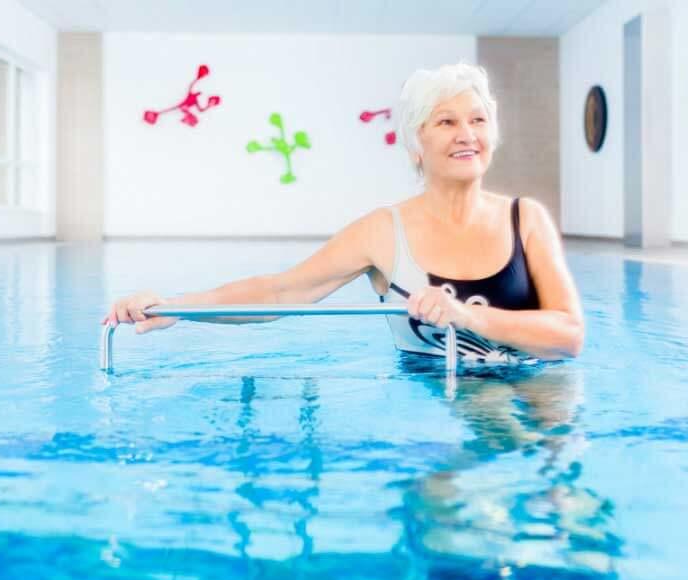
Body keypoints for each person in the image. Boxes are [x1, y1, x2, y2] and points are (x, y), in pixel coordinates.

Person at [102, 64, 584, 363]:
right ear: (416, 144)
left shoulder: (527, 220)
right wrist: (176, 308)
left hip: (539, 386)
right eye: (447, 121)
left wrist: (467, 317)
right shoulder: (383, 232)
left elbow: (568, 336)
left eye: (478, 121)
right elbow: (279, 292)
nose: (467, 134)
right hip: (442, 402)